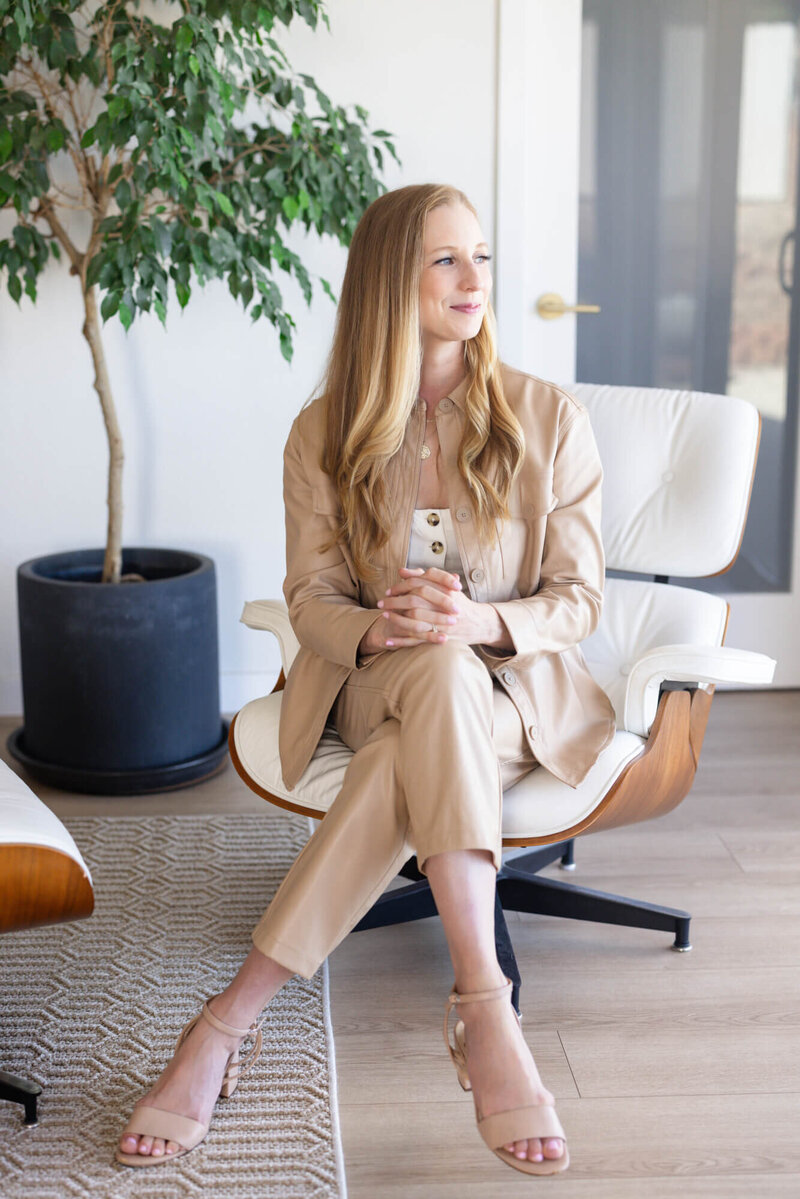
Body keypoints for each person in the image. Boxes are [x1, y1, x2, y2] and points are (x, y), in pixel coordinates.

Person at [116, 183, 616, 1177]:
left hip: (511, 697)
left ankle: (225, 1022)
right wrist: (385, 631)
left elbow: (579, 598)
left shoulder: (546, 417)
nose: (474, 279)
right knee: (426, 671)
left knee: (428, 705)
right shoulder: (324, 433)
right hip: (375, 675)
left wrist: (477, 621)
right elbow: (308, 600)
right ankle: (482, 1005)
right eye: (444, 259)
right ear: (390, 278)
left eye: (480, 255)